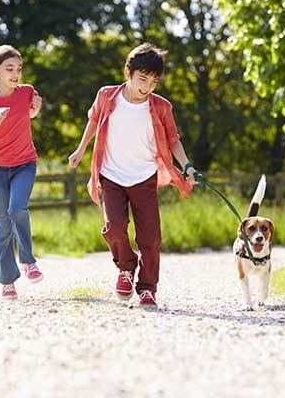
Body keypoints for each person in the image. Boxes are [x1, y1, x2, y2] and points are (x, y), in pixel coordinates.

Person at [68, 43, 198, 308]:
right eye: (143, 79)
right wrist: (81, 149)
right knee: (114, 228)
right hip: (111, 176)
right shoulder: (107, 96)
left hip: (144, 177)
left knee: (150, 238)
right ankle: (126, 268)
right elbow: (93, 121)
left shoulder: (161, 106)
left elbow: (174, 141)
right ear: (128, 72)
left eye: (154, 81)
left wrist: (187, 166)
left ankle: (148, 288)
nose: (147, 86)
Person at [0, 45, 44, 300]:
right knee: (2, 227)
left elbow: (30, 115)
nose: (16, 74)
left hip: (25, 164)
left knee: (17, 209)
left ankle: (28, 261)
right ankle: (7, 282)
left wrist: (35, 108)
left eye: (19, 69)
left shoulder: (26, 92)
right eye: (9, 69)